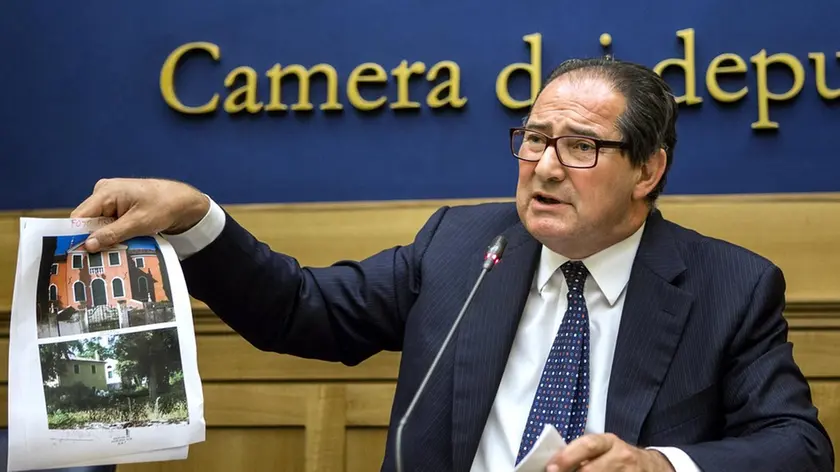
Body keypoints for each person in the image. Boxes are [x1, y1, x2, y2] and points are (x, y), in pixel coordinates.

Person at [70, 57, 834, 472]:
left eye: (581, 146)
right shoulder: (462, 249)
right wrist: (198, 217)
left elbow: (797, 447)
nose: (545, 166)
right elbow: (298, 309)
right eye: (534, 138)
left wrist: (661, 468)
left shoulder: (730, 286)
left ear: (648, 170)